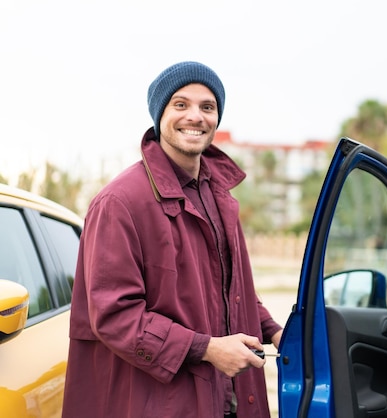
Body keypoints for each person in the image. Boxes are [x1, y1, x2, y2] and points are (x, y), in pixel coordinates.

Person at [62, 61, 283, 418]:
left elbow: (231, 288)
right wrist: (206, 349)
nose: (195, 116)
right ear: (159, 115)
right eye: (181, 105)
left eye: (207, 107)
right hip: (160, 404)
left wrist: (274, 330)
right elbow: (115, 315)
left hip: (231, 400)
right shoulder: (119, 202)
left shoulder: (220, 198)